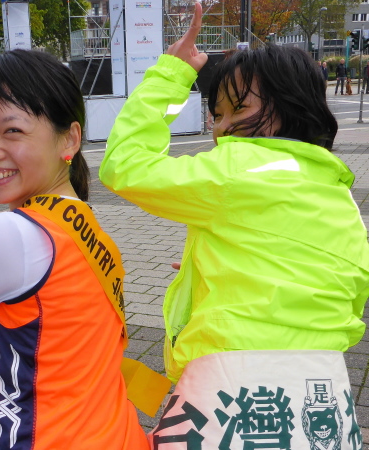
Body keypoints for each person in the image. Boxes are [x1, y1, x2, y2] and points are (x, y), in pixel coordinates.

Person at [99, 3, 368, 448]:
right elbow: (350, 285)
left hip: (230, 393)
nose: (221, 129)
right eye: (217, 115)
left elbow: (124, 165)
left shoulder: (237, 168)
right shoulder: (336, 191)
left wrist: (171, 76)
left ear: (289, 105)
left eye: (238, 109)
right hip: (323, 395)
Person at [0, 49, 149, 449]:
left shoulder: (6, 235)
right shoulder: (87, 227)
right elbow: (74, 354)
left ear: (69, 138)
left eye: (12, 130)